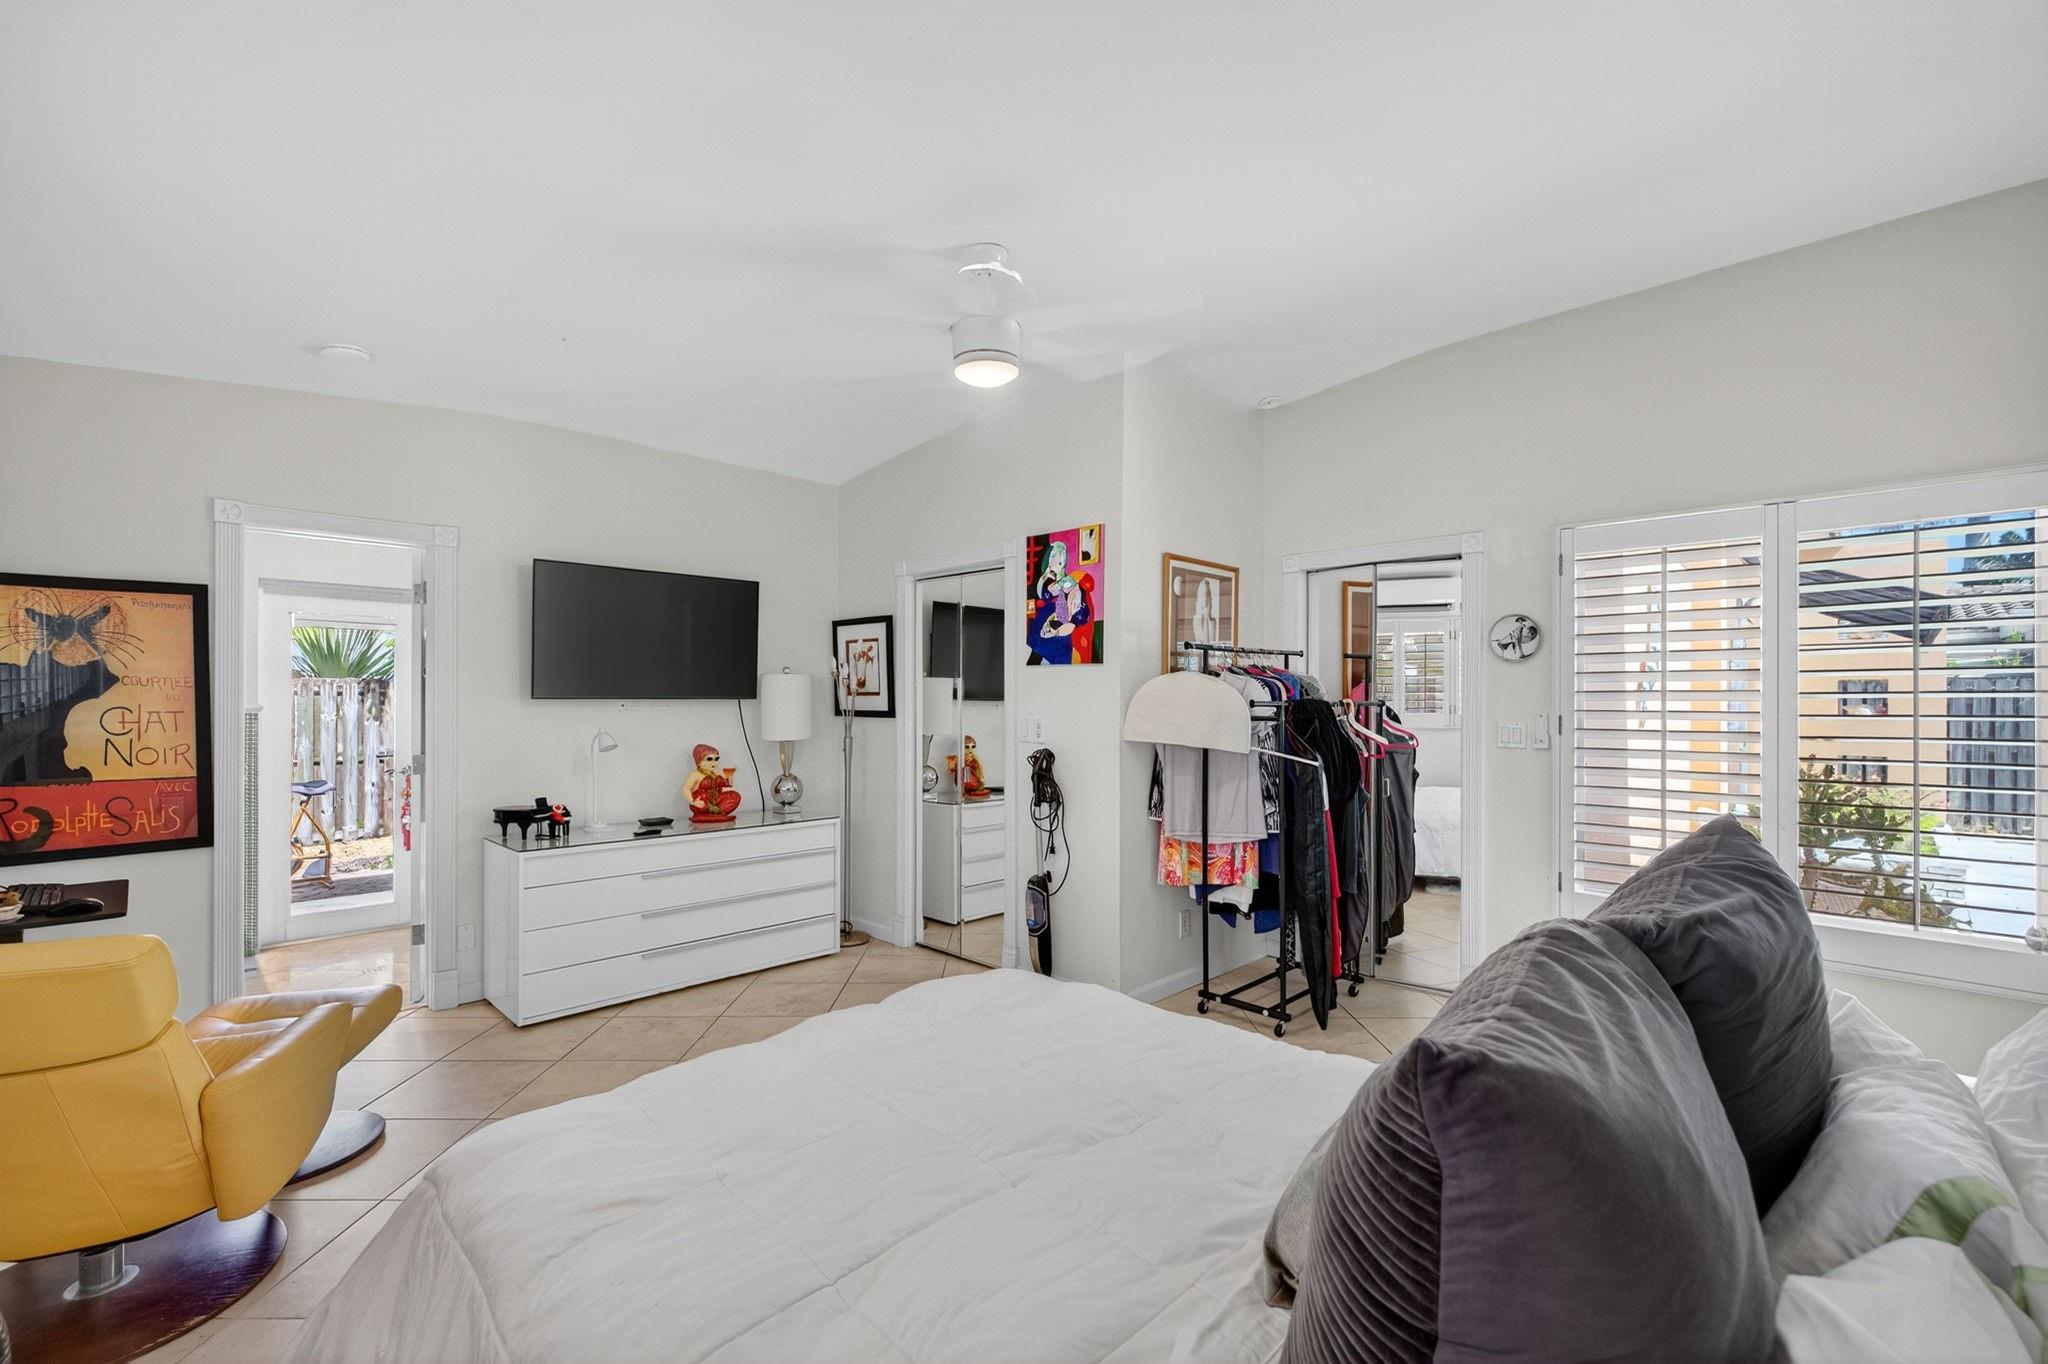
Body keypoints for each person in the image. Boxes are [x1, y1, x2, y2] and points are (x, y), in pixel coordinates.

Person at [682, 743, 741, 823]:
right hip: (702, 803)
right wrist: (693, 802)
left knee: (735, 796)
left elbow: (727, 786)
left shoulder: (715, 773)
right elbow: (685, 789)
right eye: (709, 759)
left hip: (716, 801)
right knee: (703, 804)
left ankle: (717, 813)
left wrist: (729, 779)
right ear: (699, 760)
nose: (714, 762)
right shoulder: (695, 774)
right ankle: (709, 814)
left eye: (716, 759)